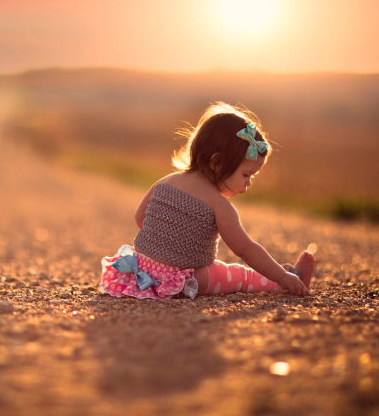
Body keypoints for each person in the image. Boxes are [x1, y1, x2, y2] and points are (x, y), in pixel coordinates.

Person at [99, 102, 316, 299]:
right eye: (246, 175)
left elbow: (141, 219)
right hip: (180, 282)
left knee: (220, 267)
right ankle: (287, 279)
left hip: (140, 271)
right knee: (238, 275)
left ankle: (286, 272)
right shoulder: (220, 206)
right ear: (218, 164)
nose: (248, 184)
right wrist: (282, 277)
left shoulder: (166, 181)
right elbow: (246, 250)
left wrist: (166, 243)